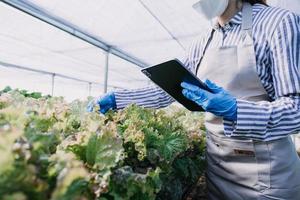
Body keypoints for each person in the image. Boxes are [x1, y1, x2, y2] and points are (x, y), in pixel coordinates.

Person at [88, 0, 300, 199]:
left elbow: (296, 109)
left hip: (264, 178)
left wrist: (236, 110)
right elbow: (168, 90)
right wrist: (117, 99)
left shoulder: (278, 23)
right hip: (218, 172)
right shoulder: (205, 39)